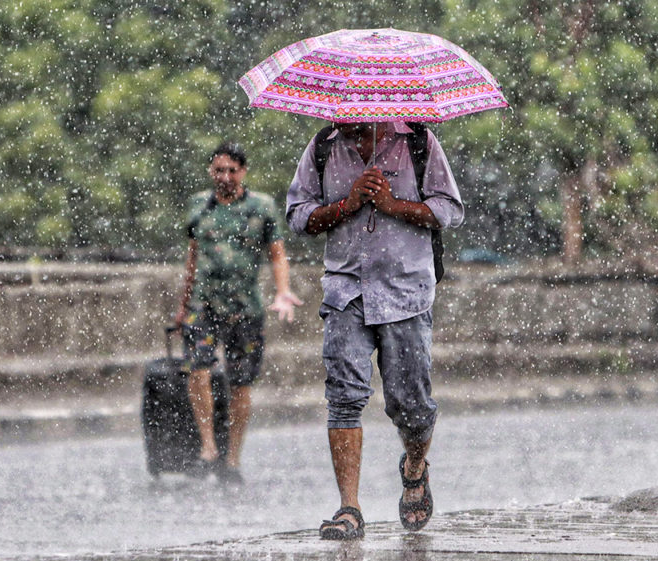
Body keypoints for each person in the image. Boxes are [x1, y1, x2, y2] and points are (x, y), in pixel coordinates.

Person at [285, 122, 463, 539]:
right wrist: (346, 205)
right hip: (346, 291)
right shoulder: (323, 146)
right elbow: (298, 216)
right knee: (343, 397)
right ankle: (349, 508)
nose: (345, 116)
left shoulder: (418, 141)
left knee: (411, 406)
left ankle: (414, 467)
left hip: (406, 292)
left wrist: (392, 204)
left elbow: (449, 210)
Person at [175, 141, 303, 485]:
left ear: (243, 172)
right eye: (219, 170)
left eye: (232, 170)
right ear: (210, 171)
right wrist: (183, 304)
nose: (226, 177)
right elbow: (193, 254)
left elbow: (277, 253)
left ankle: (232, 458)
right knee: (197, 369)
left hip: (245, 308)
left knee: (241, 383)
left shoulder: (261, 207)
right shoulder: (199, 205)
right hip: (203, 304)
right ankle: (208, 448)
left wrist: (282, 290)